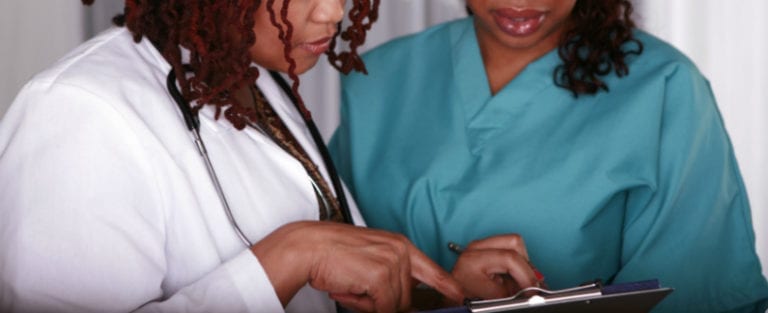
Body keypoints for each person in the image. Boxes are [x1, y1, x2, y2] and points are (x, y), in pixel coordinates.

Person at [0, 1, 466, 312]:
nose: (333, 12)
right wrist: (289, 256)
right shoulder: (80, 108)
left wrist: (442, 296)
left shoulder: (251, 74)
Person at [330, 0, 768, 312]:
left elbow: (698, 296)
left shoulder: (665, 87)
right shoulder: (375, 79)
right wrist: (443, 296)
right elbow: (323, 279)